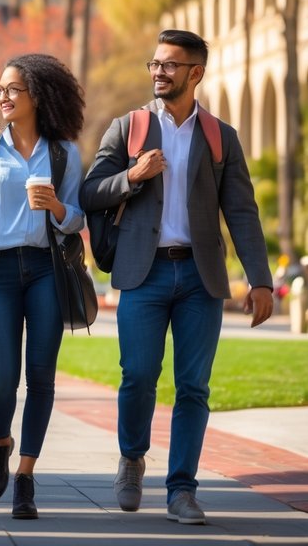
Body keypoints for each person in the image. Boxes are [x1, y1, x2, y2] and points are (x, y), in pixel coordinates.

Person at [81, 29, 273, 525]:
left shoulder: (219, 136)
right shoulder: (128, 128)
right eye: (155, 63)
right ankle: (131, 459)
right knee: (138, 376)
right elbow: (89, 192)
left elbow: (242, 211)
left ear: (196, 73)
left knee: (193, 387)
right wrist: (134, 176)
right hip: (142, 274)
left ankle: (182, 490)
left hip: (199, 276)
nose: (159, 71)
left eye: (170, 64)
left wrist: (260, 279)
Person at [0, 53, 85, 520]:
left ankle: (25, 476)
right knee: (1, 378)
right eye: (0, 90)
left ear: (38, 96)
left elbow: (77, 218)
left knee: (41, 376)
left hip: (47, 268)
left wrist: (56, 209)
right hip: (0, 271)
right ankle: (0, 443)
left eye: (13, 90)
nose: (4, 97)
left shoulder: (65, 153)